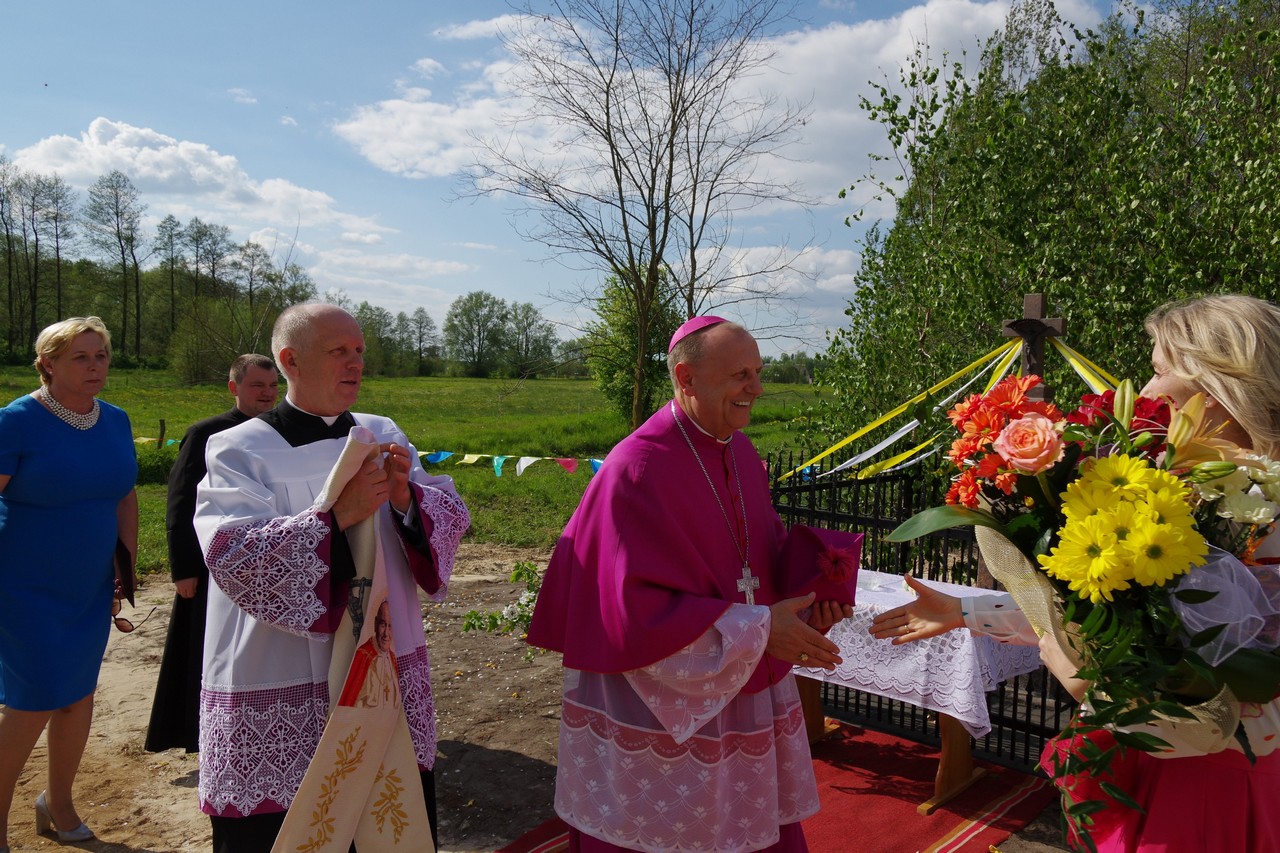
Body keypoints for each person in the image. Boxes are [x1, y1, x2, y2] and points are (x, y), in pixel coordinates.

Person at [868, 294, 1280, 851]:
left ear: (1219, 391)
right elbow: (1102, 621)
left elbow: (1236, 716)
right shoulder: (1182, 496)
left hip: (1211, 800)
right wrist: (962, 611)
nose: (1147, 390)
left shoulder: (1257, 521)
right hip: (1158, 777)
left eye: (1158, 371)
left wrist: (1090, 685)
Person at [527, 316, 851, 853]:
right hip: (661, 692)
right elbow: (627, 609)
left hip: (742, 677)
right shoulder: (636, 468)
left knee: (741, 822)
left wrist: (810, 595)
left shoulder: (740, 451)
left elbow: (759, 555)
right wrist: (761, 630)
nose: (757, 388)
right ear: (687, 378)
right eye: (740, 375)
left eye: (758, 372)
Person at [193, 303, 470, 853]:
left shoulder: (380, 432)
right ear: (290, 360)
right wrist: (335, 518)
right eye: (338, 351)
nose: (355, 363)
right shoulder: (240, 448)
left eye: (360, 351)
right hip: (279, 667)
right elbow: (233, 554)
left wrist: (405, 499)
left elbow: (448, 515)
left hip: (383, 658)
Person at [0, 317, 138, 851]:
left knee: (77, 698)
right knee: (32, 699)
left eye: (101, 355)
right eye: (81, 357)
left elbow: (125, 496)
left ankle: (57, 803)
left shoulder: (117, 420)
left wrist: (124, 572)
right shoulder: (16, 421)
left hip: (89, 582)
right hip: (23, 584)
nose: (95, 366)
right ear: (48, 364)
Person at [144, 353, 279, 754]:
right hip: (210, 567)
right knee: (204, 649)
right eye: (258, 386)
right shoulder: (206, 433)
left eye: (273, 387)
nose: (267, 395)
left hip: (263, 564)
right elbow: (181, 503)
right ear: (234, 387)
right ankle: (199, 734)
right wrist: (184, 569)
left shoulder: (279, 433)